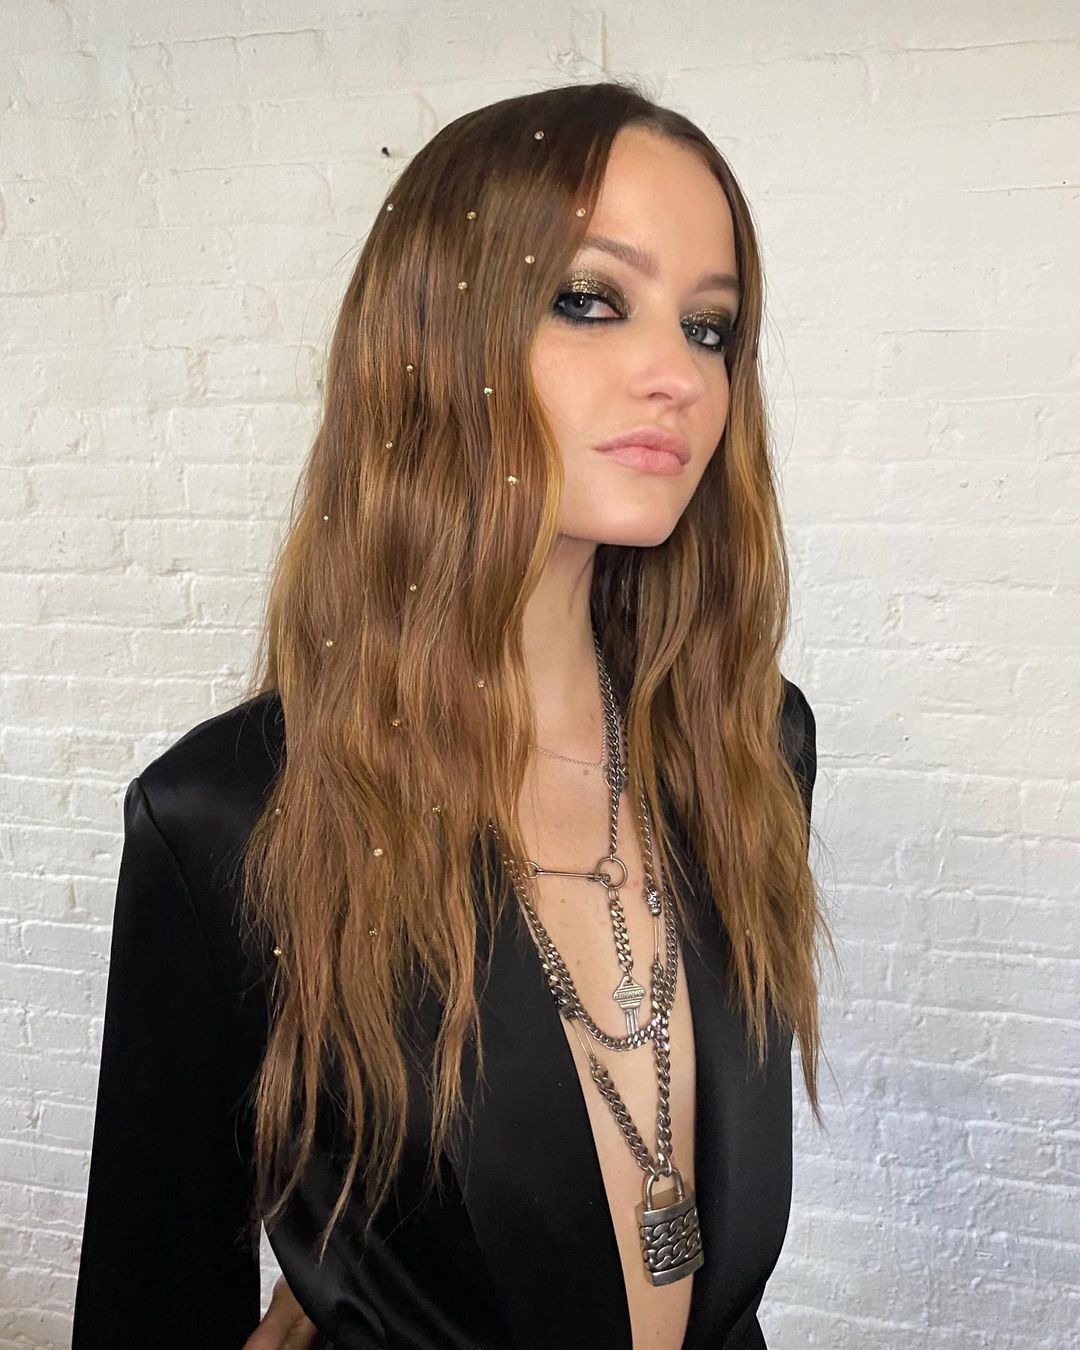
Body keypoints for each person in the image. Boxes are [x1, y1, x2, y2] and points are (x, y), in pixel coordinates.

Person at [71, 79, 831, 1350]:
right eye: (592, 299)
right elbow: (152, 1299)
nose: (678, 376)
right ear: (436, 334)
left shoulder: (753, 749)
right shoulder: (229, 820)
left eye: (712, 328)